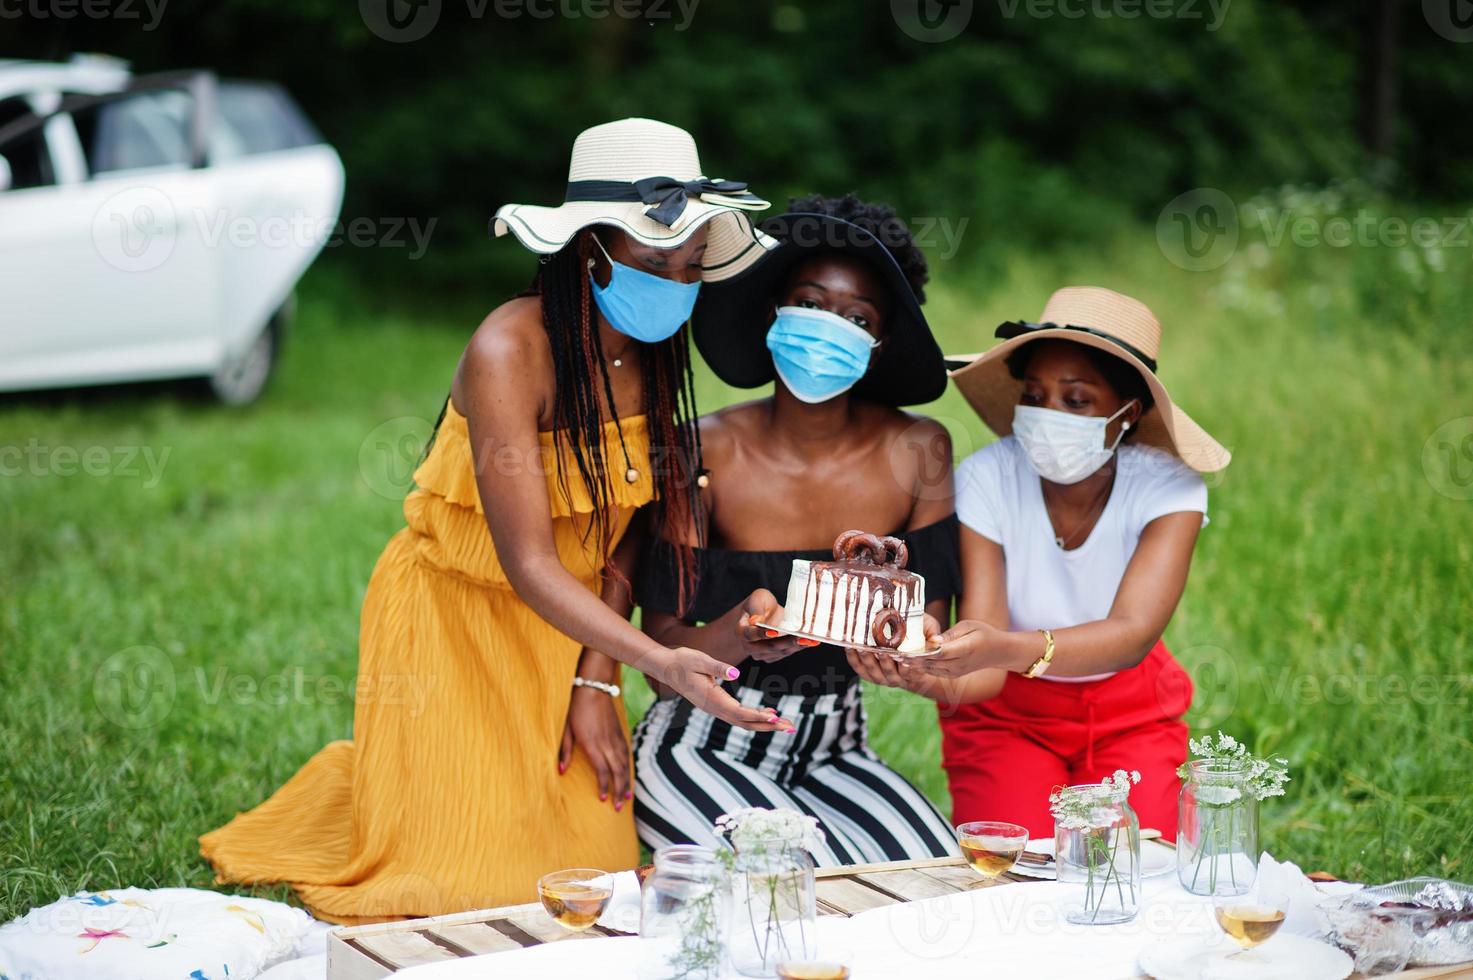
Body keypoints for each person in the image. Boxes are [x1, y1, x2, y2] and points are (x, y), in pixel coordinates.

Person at [198, 119, 792, 923]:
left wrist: (596, 679)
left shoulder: (654, 348)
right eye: (655, 264)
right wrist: (657, 656)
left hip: (576, 631)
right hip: (459, 618)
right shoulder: (507, 351)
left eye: (690, 268)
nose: (677, 286)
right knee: (463, 897)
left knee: (595, 887)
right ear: (590, 250)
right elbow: (530, 563)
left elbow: (620, 536)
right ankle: (390, 778)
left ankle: (399, 776)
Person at [606, 195, 961, 864]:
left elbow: (927, 632)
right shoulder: (702, 447)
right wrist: (743, 627)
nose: (829, 328)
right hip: (701, 740)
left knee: (936, 881)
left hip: (836, 746)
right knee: (799, 888)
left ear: (878, 344)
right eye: (809, 303)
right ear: (772, 311)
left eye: (856, 317)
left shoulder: (919, 450)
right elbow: (661, 657)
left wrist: (903, 647)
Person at [849, 286, 1230, 838]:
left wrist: (999, 648)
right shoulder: (987, 478)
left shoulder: (1168, 488)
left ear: (1129, 413)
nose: (1048, 414)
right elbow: (981, 672)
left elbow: (1131, 635)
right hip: (1005, 718)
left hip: (1130, 712)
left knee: (1142, 869)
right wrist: (918, 671)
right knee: (1013, 868)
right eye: (1033, 395)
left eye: (1076, 401)